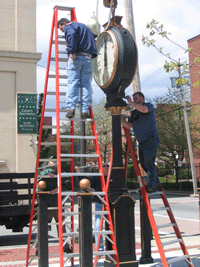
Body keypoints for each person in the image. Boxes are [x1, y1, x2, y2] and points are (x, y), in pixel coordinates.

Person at [121, 92, 162, 193]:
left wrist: (130, 102)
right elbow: (129, 125)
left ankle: (152, 185)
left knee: (149, 162)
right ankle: (156, 183)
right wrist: (119, 119)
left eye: (136, 98)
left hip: (150, 138)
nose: (135, 100)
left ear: (142, 99)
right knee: (143, 164)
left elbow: (144, 110)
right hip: (142, 141)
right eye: (133, 99)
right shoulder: (134, 113)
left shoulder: (148, 105)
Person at [57, 18, 97, 119]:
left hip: (77, 57)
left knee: (73, 83)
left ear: (64, 23)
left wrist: (72, 51)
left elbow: (71, 35)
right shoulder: (85, 27)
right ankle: (84, 110)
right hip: (88, 58)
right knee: (86, 85)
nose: (63, 31)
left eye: (61, 28)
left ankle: (71, 108)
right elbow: (93, 40)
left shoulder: (69, 27)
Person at [37, 160, 72, 253]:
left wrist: (58, 188)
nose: (53, 164)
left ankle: (65, 246)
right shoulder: (44, 173)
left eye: (55, 162)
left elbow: (68, 185)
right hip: (47, 204)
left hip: (58, 203)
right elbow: (39, 186)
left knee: (62, 227)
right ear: (48, 164)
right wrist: (47, 176)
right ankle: (40, 248)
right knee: (43, 227)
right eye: (51, 163)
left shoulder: (62, 173)